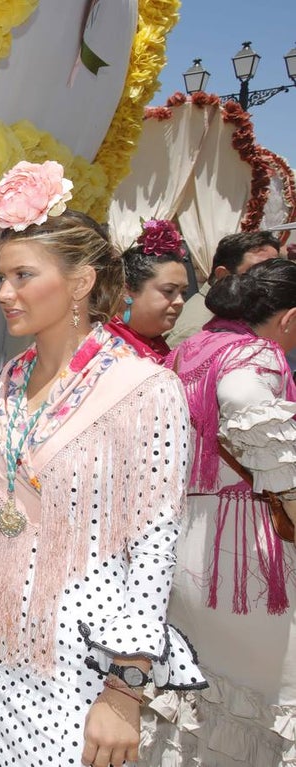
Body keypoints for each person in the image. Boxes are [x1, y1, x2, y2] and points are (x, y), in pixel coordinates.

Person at [0, 161, 203, 767]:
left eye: (23, 275)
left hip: (87, 662)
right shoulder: (11, 378)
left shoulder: (144, 389)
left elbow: (154, 548)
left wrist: (125, 692)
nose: (3, 292)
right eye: (0, 275)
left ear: (79, 283)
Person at [146, 258, 296, 766]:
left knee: (203, 701)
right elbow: (242, 396)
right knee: (266, 702)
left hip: (187, 546)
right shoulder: (257, 356)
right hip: (244, 561)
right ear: (290, 318)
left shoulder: (191, 350)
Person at [166, 230, 280, 348]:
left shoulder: (239, 312)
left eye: (276, 269)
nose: (272, 278)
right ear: (223, 275)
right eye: (259, 270)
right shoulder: (197, 329)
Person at [105, 219, 189, 363]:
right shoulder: (106, 350)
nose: (180, 301)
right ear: (126, 291)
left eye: (183, 292)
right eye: (169, 291)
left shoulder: (155, 344)